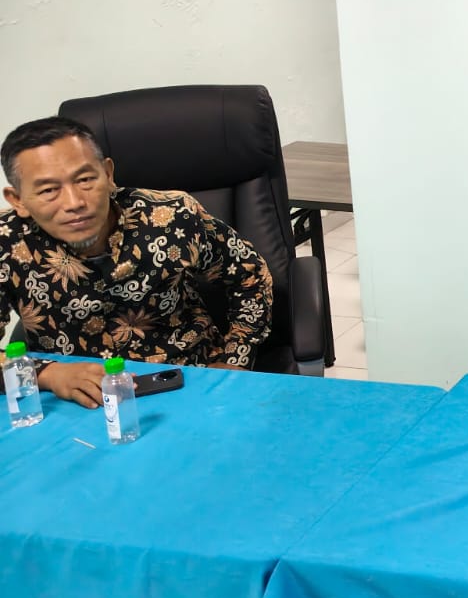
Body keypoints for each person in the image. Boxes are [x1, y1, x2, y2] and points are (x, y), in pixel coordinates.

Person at [0, 117, 273, 408]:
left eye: (85, 180)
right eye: (48, 190)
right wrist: (47, 374)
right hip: (72, 399)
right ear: (18, 200)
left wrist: (235, 358)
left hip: (187, 378)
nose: (74, 202)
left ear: (108, 174)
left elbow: (250, 275)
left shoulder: (172, 217)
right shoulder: (7, 244)